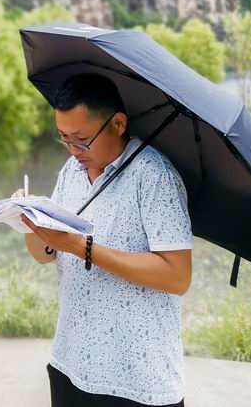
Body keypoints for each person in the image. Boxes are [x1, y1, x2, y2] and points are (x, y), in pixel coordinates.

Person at [14, 73, 193, 406]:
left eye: (81, 139)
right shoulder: (71, 171)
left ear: (118, 123)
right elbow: (45, 254)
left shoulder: (155, 177)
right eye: (63, 137)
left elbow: (178, 276)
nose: (73, 150)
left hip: (138, 379)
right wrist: (29, 223)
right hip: (71, 361)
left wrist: (82, 248)